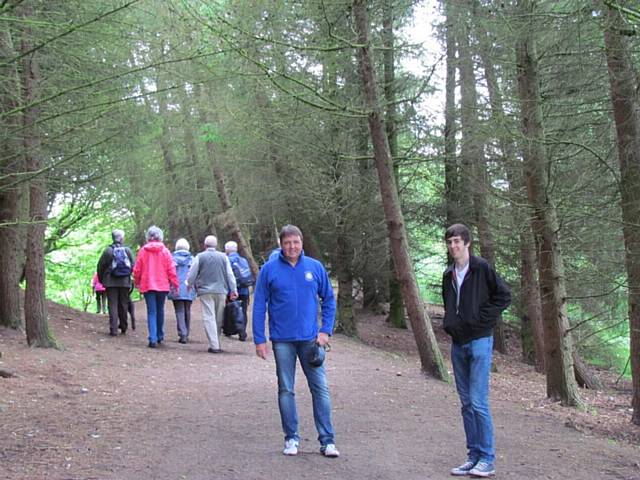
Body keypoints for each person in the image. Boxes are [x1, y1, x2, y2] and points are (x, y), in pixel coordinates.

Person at [252, 224, 339, 458]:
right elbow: (259, 305)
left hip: (311, 340)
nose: (292, 246)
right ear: (281, 244)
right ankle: (291, 438)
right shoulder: (269, 270)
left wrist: (325, 331)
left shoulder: (315, 268)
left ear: (302, 243)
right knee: (286, 390)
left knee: (320, 389)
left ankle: (327, 440)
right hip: (282, 341)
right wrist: (259, 339)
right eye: (287, 242)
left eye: (296, 242)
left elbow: (329, 300)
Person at [442, 223, 511, 478]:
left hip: (480, 340)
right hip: (458, 343)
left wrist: (481, 320)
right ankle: (473, 456)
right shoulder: (448, 273)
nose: (453, 246)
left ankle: (487, 459)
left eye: (458, 241)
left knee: (479, 402)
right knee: (466, 403)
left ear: (467, 243)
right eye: (450, 242)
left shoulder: (482, 268)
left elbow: (503, 296)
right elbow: (450, 303)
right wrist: (451, 324)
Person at [186, 235, 238, 353]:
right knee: (219, 317)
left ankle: (214, 345)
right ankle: (216, 342)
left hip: (205, 291)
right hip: (221, 291)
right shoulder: (224, 257)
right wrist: (233, 289)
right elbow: (230, 275)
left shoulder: (200, 257)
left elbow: (192, 273)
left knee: (209, 317)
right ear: (216, 245)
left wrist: (189, 284)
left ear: (205, 245)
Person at [132, 226, 179, 349]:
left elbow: (137, 269)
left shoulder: (143, 251)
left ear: (148, 236)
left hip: (148, 285)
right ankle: (159, 335)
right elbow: (171, 269)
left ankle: (152, 338)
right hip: (162, 285)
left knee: (151, 311)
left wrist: (136, 281)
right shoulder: (165, 251)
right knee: (160, 310)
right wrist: (175, 283)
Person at [97, 229, 135, 336]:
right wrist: (128, 275)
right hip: (124, 282)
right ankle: (123, 327)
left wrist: (101, 280)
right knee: (123, 304)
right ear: (122, 238)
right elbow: (133, 265)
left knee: (112, 304)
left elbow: (100, 267)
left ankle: (113, 329)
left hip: (110, 282)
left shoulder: (108, 251)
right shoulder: (127, 251)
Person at [169, 238, 196, 344]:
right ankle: (186, 333)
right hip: (189, 287)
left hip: (176, 287)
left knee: (179, 310)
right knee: (187, 310)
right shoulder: (192, 259)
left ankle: (182, 334)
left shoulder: (172, 258)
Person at [224, 240, 253, 341]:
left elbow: (227, 276)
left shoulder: (227, 260)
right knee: (243, 311)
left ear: (227, 250)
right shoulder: (243, 260)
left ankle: (229, 330)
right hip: (244, 289)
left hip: (232, 290)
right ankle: (242, 333)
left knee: (230, 310)